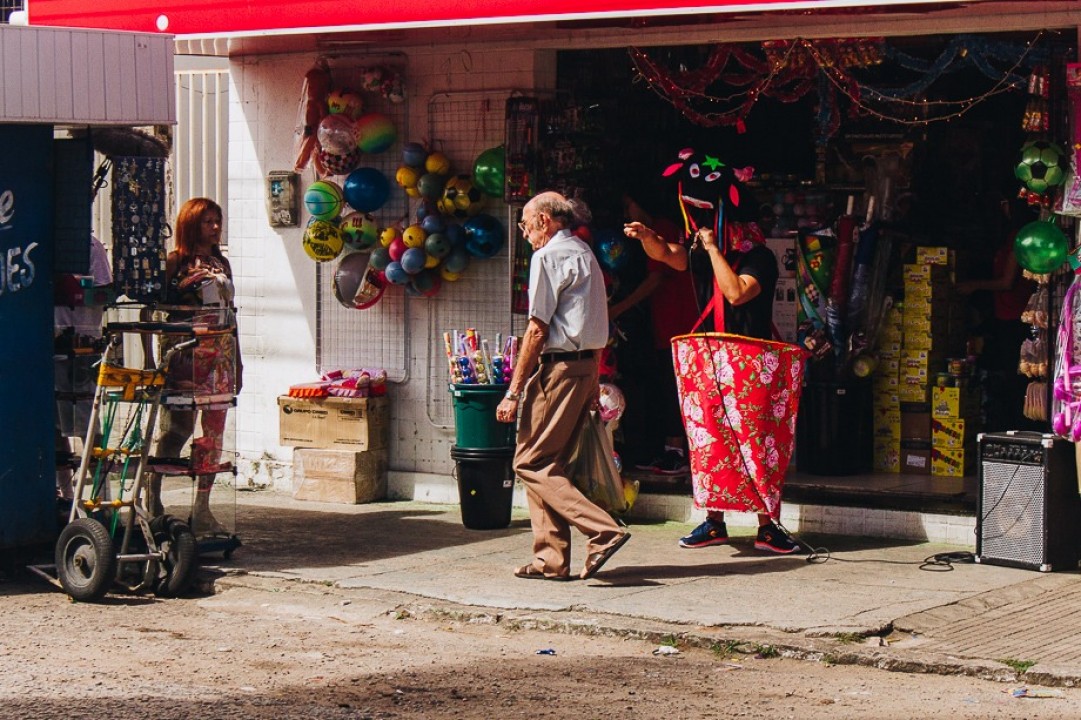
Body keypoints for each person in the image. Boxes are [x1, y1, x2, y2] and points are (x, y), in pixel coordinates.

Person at [626, 217, 797, 554]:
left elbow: (735, 292)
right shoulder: (702, 254)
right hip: (710, 357)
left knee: (755, 444)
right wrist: (648, 236)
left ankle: (767, 526)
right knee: (711, 441)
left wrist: (714, 250)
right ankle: (714, 521)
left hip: (751, 363)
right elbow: (667, 254)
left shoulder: (760, 258)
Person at [496, 191, 631, 581]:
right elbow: (591, 320)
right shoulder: (584, 252)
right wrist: (592, 379)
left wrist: (513, 391)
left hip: (560, 369)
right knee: (547, 463)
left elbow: (537, 329)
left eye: (525, 224)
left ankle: (603, 531)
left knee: (530, 461)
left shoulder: (548, 256)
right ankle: (550, 560)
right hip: (584, 366)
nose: (524, 233)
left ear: (544, 221)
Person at [148, 198, 242, 536]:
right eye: (208, 222)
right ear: (191, 224)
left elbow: (231, 313)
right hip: (186, 356)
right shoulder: (176, 262)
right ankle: (153, 498)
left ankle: (201, 508)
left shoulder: (223, 263)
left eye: (218, 220)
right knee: (177, 429)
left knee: (213, 435)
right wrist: (155, 359)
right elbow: (156, 312)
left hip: (222, 355)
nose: (215, 228)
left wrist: (239, 361)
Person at [617, 192, 698, 476]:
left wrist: (618, 309)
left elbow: (656, 278)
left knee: (671, 387)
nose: (627, 214)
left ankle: (676, 452)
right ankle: (677, 450)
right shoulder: (675, 227)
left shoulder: (659, 231)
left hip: (675, 322)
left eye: (629, 204)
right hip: (682, 322)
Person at [54, 234, 112, 500]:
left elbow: (104, 292)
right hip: (52, 345)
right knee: (53, 425)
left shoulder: (89, 245)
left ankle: (99, 496)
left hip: (83, 345)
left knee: (88, 424)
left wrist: (73, 289)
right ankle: (65, 493)